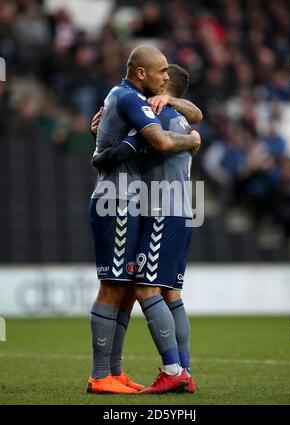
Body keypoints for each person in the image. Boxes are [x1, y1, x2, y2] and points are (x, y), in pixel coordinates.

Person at [87, 45, 201, 394]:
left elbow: (162, 141)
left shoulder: (158, 111)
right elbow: (192, 117)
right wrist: (194, 138)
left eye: (166, 73)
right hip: (161, 205)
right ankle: (169, 370)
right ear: (142, 74)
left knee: (136, 288)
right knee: (154, 292)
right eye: (160, 69)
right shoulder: (148, 107)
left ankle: (170, 371)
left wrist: (102, 145)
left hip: (156, 207)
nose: (163, 75)